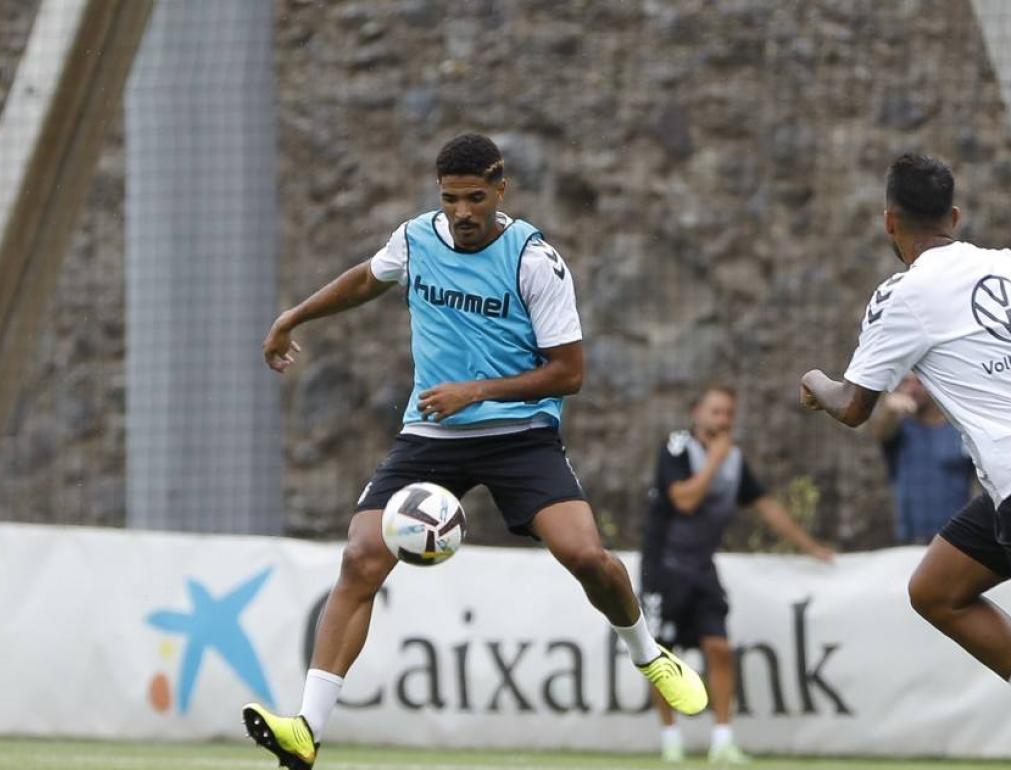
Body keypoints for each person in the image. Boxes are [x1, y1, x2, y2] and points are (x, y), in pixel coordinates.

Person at [242, 134, 707, 769]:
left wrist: (477, 391)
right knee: (360, 559)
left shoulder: (534, 261)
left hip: (520, 434)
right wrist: (292, 316)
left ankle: (648, 653)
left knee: (587, 557)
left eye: (475, 198)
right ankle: (306, 730)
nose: (462, 211)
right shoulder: (416, 238)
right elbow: (367, 280)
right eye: (451, 198)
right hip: (431, 436)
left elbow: (569, 372)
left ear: (500, 193)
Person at [800, 152, 1011, 770]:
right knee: (936, 590)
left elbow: (852, 408)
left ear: (888, 222)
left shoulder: (902, 294)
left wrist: (815, 379)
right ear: (953, 215)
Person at [642, 383, 834, 764]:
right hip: (664, 567)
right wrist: (713, 460)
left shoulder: (734, 460)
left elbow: (766, 506)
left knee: (719, 647)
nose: (723, 420)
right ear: (696, 412)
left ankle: (723, 740)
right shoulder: (677, 447)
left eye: (729, 412)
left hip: (701, 566)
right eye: (716, 411)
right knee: (664, 657)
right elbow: (684, 500)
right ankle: (670, 740)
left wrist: (812, 548)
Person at [871, 373, 975, 543]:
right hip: (910, 538)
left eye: (919, 382)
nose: (911, 389)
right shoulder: (900, 428)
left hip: (955, 539)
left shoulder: (960, 429)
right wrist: (889, 411)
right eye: (905, 382)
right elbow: (881, 433)